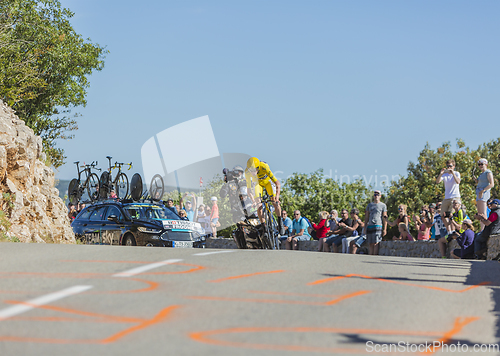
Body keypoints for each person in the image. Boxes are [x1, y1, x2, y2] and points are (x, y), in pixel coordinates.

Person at [246, 157, 284, 234]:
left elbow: (277, 183)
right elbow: (249, 190)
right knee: (258, 206)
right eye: (251, 171)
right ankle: (264, 227)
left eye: (254, 170)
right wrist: (253, 201)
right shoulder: (247, 172)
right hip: (257, 184)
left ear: (258, 167)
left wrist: (277, 197)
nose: (252, 173)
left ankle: (280, 222)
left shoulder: (264, 167)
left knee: (274, 202)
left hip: (267, 182)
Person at [436, 159, 461, 231]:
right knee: (443, 215)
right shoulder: (445, 174)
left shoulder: (456, 173)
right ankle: (449, 231)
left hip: (455, 196)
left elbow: (458, 181)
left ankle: (453, 231)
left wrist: (453, 173)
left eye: (450, 166)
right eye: (447, 166)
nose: (449, 168)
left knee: (451, 215)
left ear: (454, 166)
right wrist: (441, 173)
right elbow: (437, 181)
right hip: (447, 197)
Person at [363, 190, 387, 255]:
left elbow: (385, 217)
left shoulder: (383, 205)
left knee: (376, 242)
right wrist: (365, 227)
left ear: (380, 196)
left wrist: (385, 229)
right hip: (370, 225)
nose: (376, 196)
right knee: (370, 242)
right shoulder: (370, 205)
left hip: (378, 225)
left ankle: (375, 256)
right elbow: (366, 217)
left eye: (378, 195)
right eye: (375, 195)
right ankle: (370, 256)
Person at [475, 158, 494, 231]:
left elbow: (492, 184)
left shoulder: (488, 172)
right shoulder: (481, 174)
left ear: (486, 164)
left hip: (483, 193)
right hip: (479, 192)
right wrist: (476, 180)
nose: (480, 166)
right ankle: (482, 229)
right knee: (479, 213)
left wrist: (483, 191)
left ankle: (486, 229)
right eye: (479, 164)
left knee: (483, 212)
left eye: (481, 164)